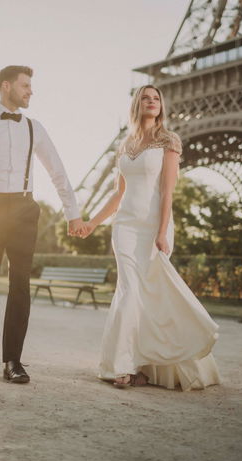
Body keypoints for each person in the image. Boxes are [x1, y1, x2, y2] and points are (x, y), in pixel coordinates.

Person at [77, 85, 221, 390]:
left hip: (154, 226)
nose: (152, 102)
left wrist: (161, 231)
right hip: (125, 227)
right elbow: (118, 193)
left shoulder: (169, 141)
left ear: (162, 106)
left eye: (156, 98)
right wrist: (92, 223)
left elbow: (168, 191)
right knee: (129, 291)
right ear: (137, 103)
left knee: (149, 296)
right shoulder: (125, 145)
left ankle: (141, 366)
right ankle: (125, 366)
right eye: (146, 97)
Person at [0, 65, 84, 384]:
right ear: (6, 86)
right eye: (25, 86)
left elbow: (57, 171)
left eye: (31, 87)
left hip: (24, 208)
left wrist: (73, 212)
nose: (30, 91)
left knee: (20, 285)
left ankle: (14, 360)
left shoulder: (35, 128)